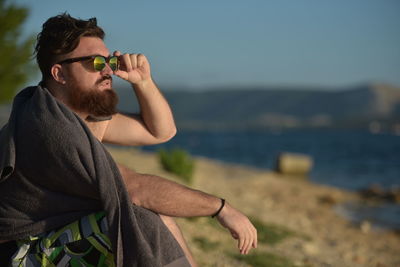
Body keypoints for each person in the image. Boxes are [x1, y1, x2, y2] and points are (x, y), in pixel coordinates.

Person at [0, 13, 257, 266]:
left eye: (110, 62)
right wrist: (220, 209)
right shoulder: (52, 129)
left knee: (151, 219)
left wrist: (143, 82)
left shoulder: (71, 113)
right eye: (97, 63)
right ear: (59, 73)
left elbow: (160, 132)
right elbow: (135, 190)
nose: (108, 71)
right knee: (141, 220)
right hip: (24, 253)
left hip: (54, 234)